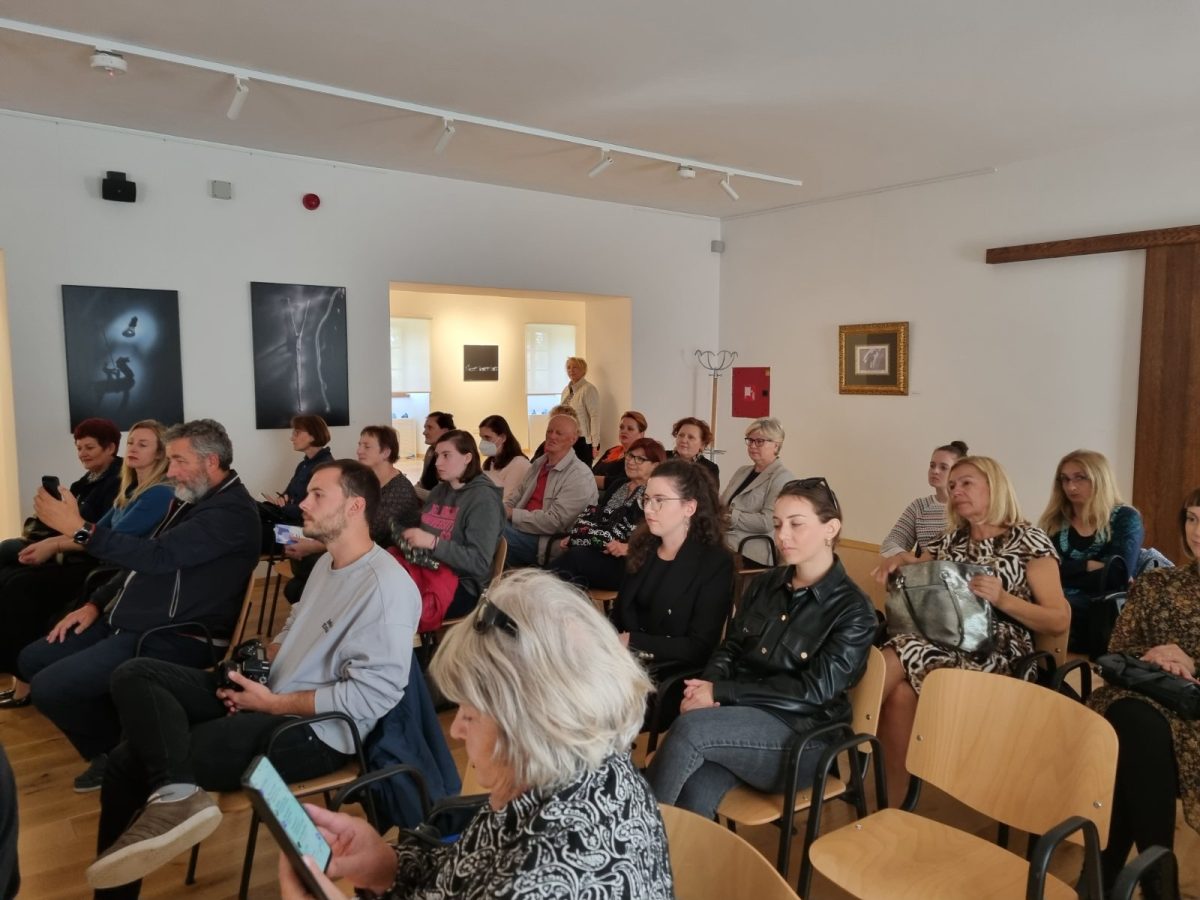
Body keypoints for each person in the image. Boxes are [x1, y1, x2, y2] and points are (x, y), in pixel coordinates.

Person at [84, 460, 420, 897]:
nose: (303, 503)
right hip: (269, 694)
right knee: (135, 673)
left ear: (355, 507)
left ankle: (174, 793)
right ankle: (178, 791)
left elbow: (372, 697)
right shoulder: (326, 564)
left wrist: (272, 704)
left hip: (314, 733)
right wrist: (255, 665)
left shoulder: (386, 587)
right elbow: (293, 627)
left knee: (130, 763)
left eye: (318, 495)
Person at [277, 569, 673, 900]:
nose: (456, 729)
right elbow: (468, 870)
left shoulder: (540, 882)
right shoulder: (577, 771)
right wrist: (387, 866)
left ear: (529, 727)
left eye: (469, 713)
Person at [17, 419, 261, 792]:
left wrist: (80, 529)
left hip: (175, 633)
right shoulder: (193, 498)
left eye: (179, 461)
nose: (171, 471)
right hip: (134, 617)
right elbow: (139, 562)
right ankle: (129, 739)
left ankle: (117, 756)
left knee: (50, 688)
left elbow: (155, 556)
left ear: (211, 461)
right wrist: (95, 604)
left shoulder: (231, 513)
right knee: (32, 660)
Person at [647, 478, 875, 819]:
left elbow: (813, 692)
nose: (783, 536)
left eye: (796, 524)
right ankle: (673, 850)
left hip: (803, 738)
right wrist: (706, 687)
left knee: (690, 730)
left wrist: (721, 692)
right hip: (740, 719)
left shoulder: (854, 610)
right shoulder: (767, 583)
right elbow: (730, 647)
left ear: (831, 529)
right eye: (778, 524)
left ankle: (632, 837)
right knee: (695, 784)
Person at [874, 456, 1070, 806]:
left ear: (995, 487)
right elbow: (916, 576)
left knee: (900, 648)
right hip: (942, 643)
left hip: (998, 654)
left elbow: (1059, 620)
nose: (956, 490)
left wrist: (1004, 599)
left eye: (966, 483)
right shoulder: (948, 540)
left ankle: (835, 726)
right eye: (952, 485)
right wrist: (898, 566)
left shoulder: (1028, 540)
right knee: (900, 693)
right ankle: (893, 808)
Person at [0, 420, 174, 710]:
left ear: (159, 453)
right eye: (131, 442)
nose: (132, 448)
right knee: (10, 574)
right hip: (97, 560)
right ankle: (17, 671)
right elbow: (95, 529)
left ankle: (25, 679)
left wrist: (55, 544)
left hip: (111, 573)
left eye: (142, 444)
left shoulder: (159, 493)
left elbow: (105, 539)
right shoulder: (130, 489)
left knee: (21, 586)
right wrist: (51, 541)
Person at [1086, 488, 1198, 900]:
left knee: (1134, 735)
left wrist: (1191, 663)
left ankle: (1104, 872)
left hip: (1190, 708)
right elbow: (1120, 647)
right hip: (1143, 689)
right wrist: (1158, 657)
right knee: (1132, 718)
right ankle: (1154, 881)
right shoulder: (1157, 582)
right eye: (1192, 519)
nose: (1197, 530)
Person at [613, 458, 734, 677]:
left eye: (659, 500)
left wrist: (633, 641)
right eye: (646, 499)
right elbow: (619, 615)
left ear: (689, 507)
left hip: (670, 673)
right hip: (624, 663)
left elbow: (699, 648)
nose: (648, 509)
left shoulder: (715, 563)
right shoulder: (644, 546)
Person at [282, 425, 420, 602]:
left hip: (380, 559)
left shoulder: (399, 490)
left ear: (386, 452)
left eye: (366, 446)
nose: (359, 451)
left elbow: (369, 533)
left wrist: (313, 546)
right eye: (359, 445)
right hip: (357, 550)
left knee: (300, 580)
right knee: (297, 579)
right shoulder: (367, 481)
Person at [1038, 449, 1144, 652]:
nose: (1071, 486)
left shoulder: (1125, 518)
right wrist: (1086, 565)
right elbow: (1040, 572)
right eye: (1065, 479)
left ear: (1100, 479)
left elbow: (1116, 576)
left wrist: (1063, 571)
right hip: (1054, 601)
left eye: (1080, 478)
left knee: (1052, 610)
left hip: (1101, 611)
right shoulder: (1055, 520)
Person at [400, 430, 505, 631]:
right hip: (429, 572)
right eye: (437, 455)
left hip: (464, 586)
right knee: (379, 590)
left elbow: (479, 563)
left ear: (467, 458)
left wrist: (433, 543)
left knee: (391, 606)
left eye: (446, 455)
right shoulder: (440, 491)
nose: (438, 462)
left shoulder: (484, 500)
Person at [0, 417, 123, 566]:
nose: (82, 454)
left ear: (110, 448)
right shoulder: (82, 483)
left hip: (84, 554)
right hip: (67, 541)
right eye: (79, 448)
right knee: (7, 549)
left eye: (89, 448)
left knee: (7, 552)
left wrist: (54, 546)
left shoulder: (119, 483)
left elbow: (97, 536)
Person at [550, 438, 666, 590]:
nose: (631, 462)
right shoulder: (619, 485)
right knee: (571, 572)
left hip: (630, 562)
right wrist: (577, 535)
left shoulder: (657, 496)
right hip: (599, 551)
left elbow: (662, 538)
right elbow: (598, 520)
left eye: (640, 459)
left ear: (655, 466)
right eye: (630, 456)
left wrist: (628, 547)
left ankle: (535, 588)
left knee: (575, 559)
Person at [503, 415, 598, 568]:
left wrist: (512, 514)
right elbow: (517, 496)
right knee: (483, 522)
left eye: (559, 433)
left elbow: (555, 523)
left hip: (546, 541)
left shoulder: (579, 475)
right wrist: (501, 510)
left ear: (573, 439)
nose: (552, 436)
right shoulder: (539, 464)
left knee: (492, 532)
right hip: (519, 527)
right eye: (549, 431)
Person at [720, 417, 795, 566]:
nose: (753, 445)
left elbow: (767, 522)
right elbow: (722, 503)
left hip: (751, 550)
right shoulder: (742, 471)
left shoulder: (782, 477)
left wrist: (730, 516)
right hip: (725, 542)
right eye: (750, 440)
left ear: (776, 445)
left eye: (759, 441)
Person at [880, 440, 969, 559]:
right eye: (932, 465)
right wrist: (912, 561)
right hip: (926, 569)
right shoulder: (919, 506)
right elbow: (891, 543)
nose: (935, 471)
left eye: (943, 467)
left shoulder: (970, 507)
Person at [260, 415, 334, 530]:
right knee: (252, 509)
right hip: (288, 518)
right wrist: (282, 499)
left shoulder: (325, 468)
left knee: (256, 517)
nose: (292, 438)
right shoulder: (302, 465)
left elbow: (312, 508)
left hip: (302, 528)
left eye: (296, 433)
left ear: (313, 436)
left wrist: (283, 507)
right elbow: (287, 493)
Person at [478, 414, 531, 505]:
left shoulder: (519, 464)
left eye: (487, 438)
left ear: (502, 438)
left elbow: (507, 501)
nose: (483, 443)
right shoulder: (490, 462)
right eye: (481, 438)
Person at [592, 410, 648, 493]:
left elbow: (621, 483)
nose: (624, 431)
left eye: (630, 429)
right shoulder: (611, 450)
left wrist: (589, 479)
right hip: (590, 490)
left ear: (641, 434)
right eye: (621, 427)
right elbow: (592, 472)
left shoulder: (640, 457)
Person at [560, 356, 601, 456]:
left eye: (575, 367)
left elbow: (595, 417)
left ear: (583, 370)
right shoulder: (566, 390)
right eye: (568, 367)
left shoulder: (588, 389)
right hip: (567, 439)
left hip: (583, 441)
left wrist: (595, 444)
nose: (571, 370)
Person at [666, 416, 720, 485]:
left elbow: (710, 492)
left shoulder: (710, 468)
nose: (683, 440)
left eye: (691, 437)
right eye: (681, 435)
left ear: (702, 445)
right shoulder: (662, 457)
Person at [415, 412, 455, 502]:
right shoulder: (430, 451)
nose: (424, 432)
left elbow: (443, 498)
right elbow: (423, 482)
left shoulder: (454, 457)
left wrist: (412, 490)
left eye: (430, 428)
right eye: (425, 428)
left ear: (445, 431)